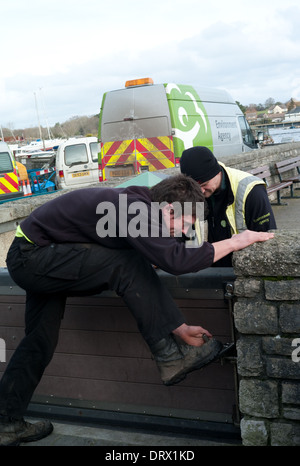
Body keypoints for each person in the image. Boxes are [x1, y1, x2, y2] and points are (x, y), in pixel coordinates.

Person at [0, 174, 274, 446]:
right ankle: (170, 357)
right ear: (169, 208)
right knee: (127, 264)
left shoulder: (140, 204)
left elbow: (156, 257)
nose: (183, 233)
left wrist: (179, 327)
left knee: (39, 343)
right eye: (184, 224)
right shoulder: (135, 209)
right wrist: (238, 240)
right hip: (33, 257)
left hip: (44, 256)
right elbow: (176, 261)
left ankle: (6, 423)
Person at [180, 146, 277, 266]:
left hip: (241, 271)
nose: (201, 191)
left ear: (217, 173)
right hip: (205, 270)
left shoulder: (252, 191)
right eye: (194, 187)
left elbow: (267, 236)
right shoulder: (189, 192)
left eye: (205, 184)